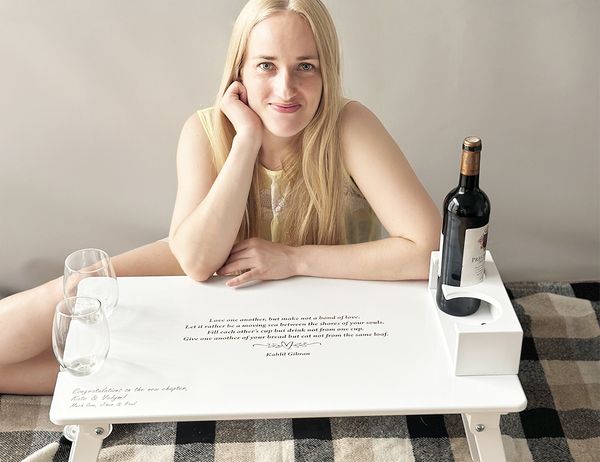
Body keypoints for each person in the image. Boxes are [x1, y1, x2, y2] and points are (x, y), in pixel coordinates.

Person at [0, 0, 440, 395]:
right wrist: (245, 141)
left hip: (316, 300)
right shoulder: (205, 129)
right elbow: (194, 260)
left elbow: (430, 250)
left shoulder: (349, 125)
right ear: (240, 72)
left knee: (136, 358)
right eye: (266, 65)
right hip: (213, 275)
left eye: (306, 66)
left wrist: (292, 259)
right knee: (84, 287)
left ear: (328, 71)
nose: (286, 89)